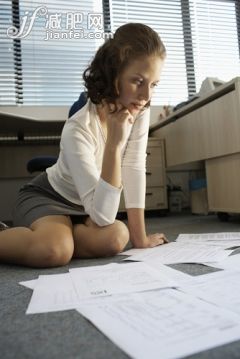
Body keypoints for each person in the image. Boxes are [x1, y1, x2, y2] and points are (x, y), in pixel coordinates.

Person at [0, 23, 167, 268]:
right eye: (138, 81)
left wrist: (139, 238)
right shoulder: (78, 127)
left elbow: (133, 166)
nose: (146, 96)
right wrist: (113, 145)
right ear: (113, 74)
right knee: (54, 251)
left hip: (88, 208)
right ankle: (41, 235)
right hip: (49, 197)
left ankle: (62, 233)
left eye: (153, 84)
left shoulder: (139, 110)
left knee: (117, 237)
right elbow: (103, 215)